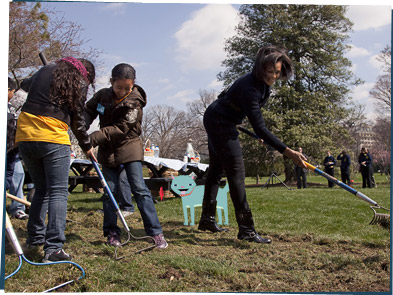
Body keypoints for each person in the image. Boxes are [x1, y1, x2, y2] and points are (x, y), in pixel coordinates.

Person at [199, 45, 307, 244]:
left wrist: (257, 132)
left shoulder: (262, 86)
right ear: (260, 68)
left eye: (277, 72)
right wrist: (288, 152)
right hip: (218, 121)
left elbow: (248, 119)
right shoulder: (251, 87)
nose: (273, 76)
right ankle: (247, 230)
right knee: (236, 174)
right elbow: (259, 126)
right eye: (269, 71)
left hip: (220, 118)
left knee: (216, 169)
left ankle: (207, 219)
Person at [16, 57, 97, 262]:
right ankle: (53, 249)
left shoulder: (46, 69)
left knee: (41, 189)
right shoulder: (77, 82)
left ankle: (34, 239)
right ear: (85, 75)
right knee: (58, 191)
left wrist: (43, 76)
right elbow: (78, 119)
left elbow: (25, 84)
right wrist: (86, 146)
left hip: (25, 136)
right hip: (52, 137)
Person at [84, 63, 167, 249]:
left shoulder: (135, 102)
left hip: (129, 147)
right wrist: (81, 129)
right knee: (109, 192)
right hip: (107, 151)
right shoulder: (102, 96)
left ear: (133, 84)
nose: (122, 91)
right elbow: (88, 111)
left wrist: (92, 139)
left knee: (139, 189)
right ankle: (112, 232)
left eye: (127, 88)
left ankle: (155, 232)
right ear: (111, 81)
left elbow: (121, 128)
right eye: (119, 87)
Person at [6, 77, 28, 219]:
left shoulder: (11, 107)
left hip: (13, 150)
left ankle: (17, 208)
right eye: (12, 91)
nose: (13, 94)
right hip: (7, 149)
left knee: (18, 174)